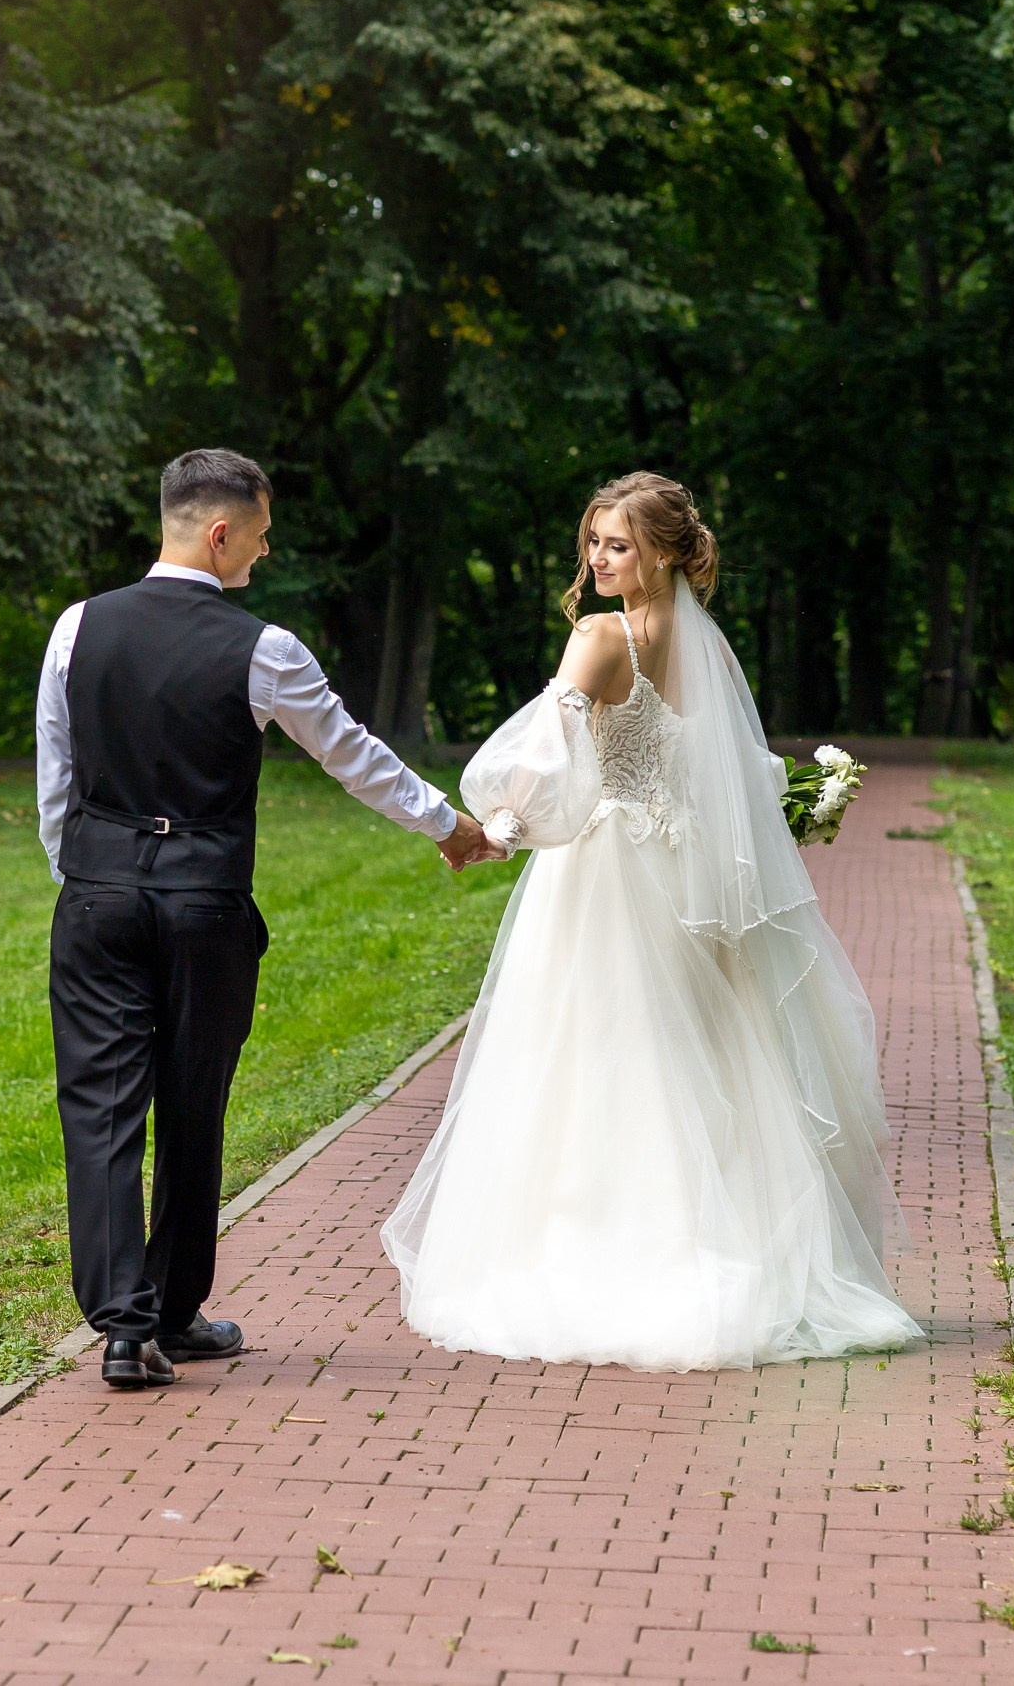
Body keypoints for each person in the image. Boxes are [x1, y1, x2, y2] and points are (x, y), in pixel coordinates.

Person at [381, 472, 923, 1371]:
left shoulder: (600, 637)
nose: (597, 559)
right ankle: (729, 1247)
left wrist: (495, 832)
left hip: (602, 872)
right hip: (683, 870)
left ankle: (601, 1251)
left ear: (664, 550)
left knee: (590, 1057)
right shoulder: (702, 641)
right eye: (593, 541)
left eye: (617, 544)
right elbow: (723, 771)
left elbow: (546, 762)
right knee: (698, 1054)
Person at [36, 448, 498, 1389]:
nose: (266, 545)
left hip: (95, 898)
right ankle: (171, 1310)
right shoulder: (264, 648)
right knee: (192, 1104)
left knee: (101, 1109)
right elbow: (353, 756)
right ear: (218, 533)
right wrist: (445, 823)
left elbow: (58, 775)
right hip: (205, 906)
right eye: (258, 529)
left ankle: (125, 1330)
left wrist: (86, 871)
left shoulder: (76, 628)